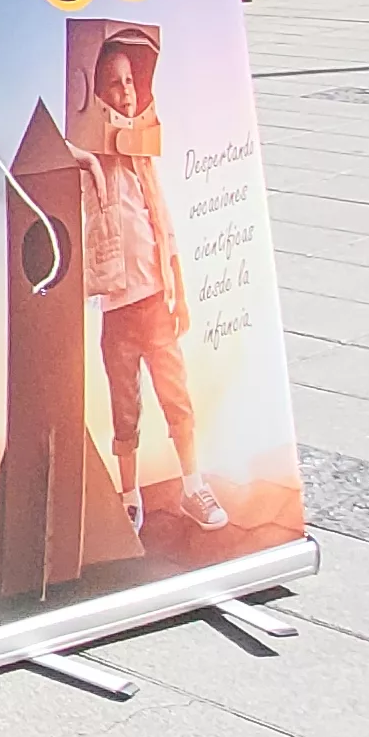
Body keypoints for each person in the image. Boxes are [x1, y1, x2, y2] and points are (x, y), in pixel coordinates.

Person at [73, 28, 222, 534]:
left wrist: (178, 288)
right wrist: (84, 150)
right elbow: (67, 162)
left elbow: (164, 224)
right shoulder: (92, 160)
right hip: (118, 308)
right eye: (113, 84)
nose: (126, 92)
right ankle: (129, 493)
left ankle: (192, 485)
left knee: (176, 397)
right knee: (125, 408)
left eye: (131, 81)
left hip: (156, 301)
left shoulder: (142, 157)